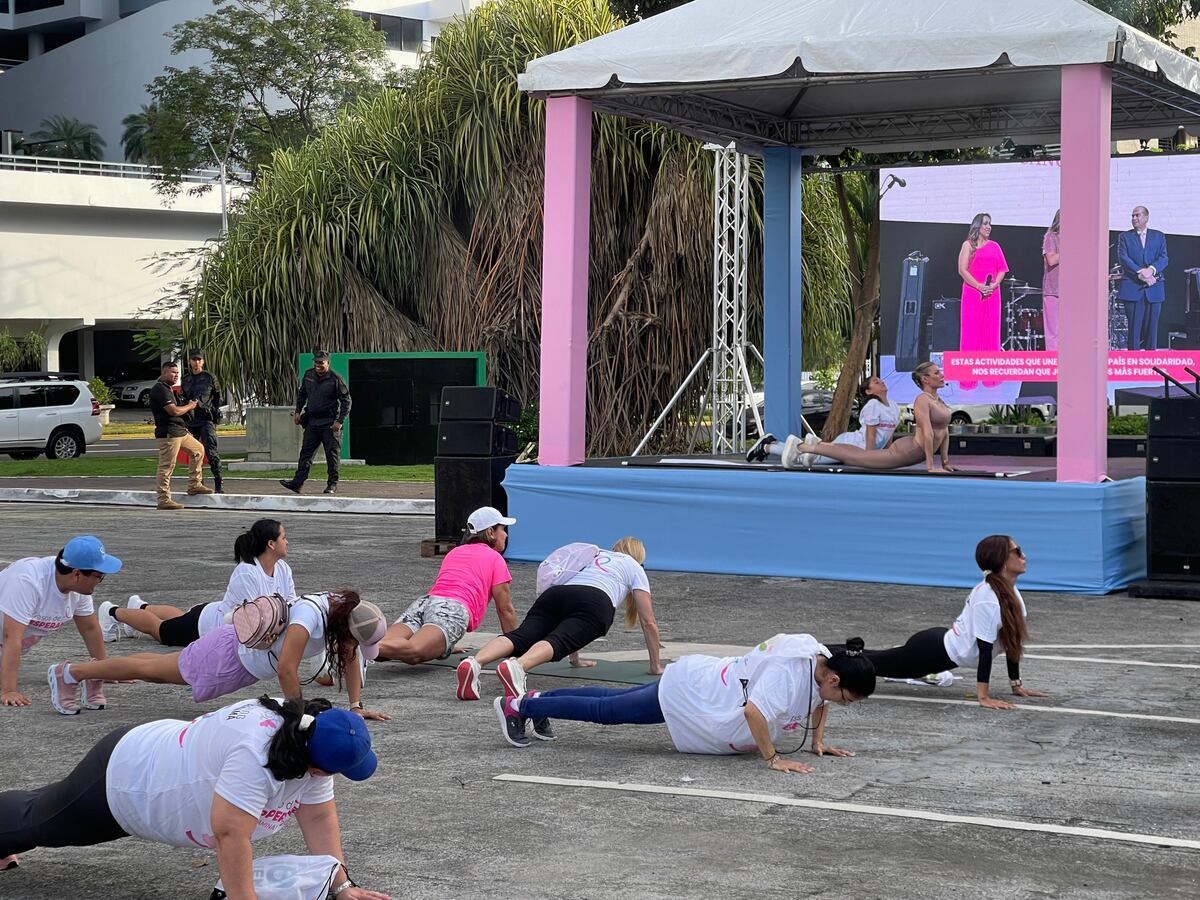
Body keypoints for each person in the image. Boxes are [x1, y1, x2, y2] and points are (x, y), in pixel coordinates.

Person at [0, 695, 390, 900]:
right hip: (127, 778)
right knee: (39, 822)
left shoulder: (312, 739)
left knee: (40, 813)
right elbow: (230, 836)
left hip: (157, 769)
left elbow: (319, 819)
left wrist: (340, 884)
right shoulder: (256, 753)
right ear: (315, 762)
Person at [493, 633, 875, 763]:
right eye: (847, 698)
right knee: (606, 710)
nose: (841, 704)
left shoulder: (818, 655)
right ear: (835, 677)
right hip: (691, 694)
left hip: (702, 681)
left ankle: (536, 700)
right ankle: (519, 706)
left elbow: (821, 699)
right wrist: (772, 759)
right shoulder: (786, 674)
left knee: (610, 700)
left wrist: (820, 741)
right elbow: (754, 713)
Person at [48, 592, 389, 720]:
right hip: (228, 654)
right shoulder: (310, 618)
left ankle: (83, 674)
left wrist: (356, 707)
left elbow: (349, 656)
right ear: (347, 626)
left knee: (154, 668)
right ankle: (70, 672)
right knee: (152, 669)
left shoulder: (340, 612)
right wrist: (297, 716)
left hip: (239, 659)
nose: (353, 650)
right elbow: (287, 669)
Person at [457, 537, 663, 704]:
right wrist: (655, 666)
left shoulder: (595, 555)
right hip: (596, 600)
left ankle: (474, 662)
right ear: (639, 557)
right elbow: (648, 622)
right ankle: (519, 666)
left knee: (521, 636)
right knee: (559, 640)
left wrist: (575, 660)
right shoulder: (634, 567)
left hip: (556, 594)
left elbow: (569, 616)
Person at [858, 534, 1046, 711]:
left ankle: (835, 654)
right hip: (930, 652)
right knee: (869, 664)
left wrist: (1016, 685)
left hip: (939, 646)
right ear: (1002, 559)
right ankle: (830, 655)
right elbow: (985, 649)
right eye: (1018, 551)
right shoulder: (987, 597)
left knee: (872, 660)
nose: (1024, 555)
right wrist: (983, 697)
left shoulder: (1011, 593)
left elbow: (1012, 641)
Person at [98, 519, 296, 647]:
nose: (287, 542)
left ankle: (140, 607)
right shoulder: (247, 572)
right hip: (209, 627)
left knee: (181, 618)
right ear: (271, 544)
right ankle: (112, 612)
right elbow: (250, 618)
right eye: (284, 538)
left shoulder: (283, 568)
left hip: (211, 614)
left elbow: (291, 603)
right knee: (161, 630)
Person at [376, 506, 517, 670]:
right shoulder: (495, 558)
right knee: (414, 652)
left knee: (381, 647)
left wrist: (442, 644)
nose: (506, 534)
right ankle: (356, 648)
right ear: (491, 532)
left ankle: (354, 646)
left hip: (426, 602)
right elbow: (505, 609)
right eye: (503, 529)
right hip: (452, 610)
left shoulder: (455, 552)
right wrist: (515, 645)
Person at [0, 536, 121, 711]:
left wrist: (105, 669)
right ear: (77, 574)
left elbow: (90, 628)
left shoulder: (79, 591)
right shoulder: (28, 581)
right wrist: (8, 690)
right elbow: (11, 636)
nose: (100, 580)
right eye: (99, 575)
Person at [781, 362, 955, 473]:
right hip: (903, 450)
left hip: (902, 450)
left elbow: (943, 432)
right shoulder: (922, 400)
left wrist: (946, 462)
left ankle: (808, 446)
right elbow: (928, 433)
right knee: (854, 457)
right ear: (925, 378)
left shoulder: (937, 401)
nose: (941, 375)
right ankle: (801, 446)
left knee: (852, 456)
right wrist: (931, 467)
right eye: (936, 373)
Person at [746, 375, 901, 468]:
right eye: (876, 382)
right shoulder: (873, 406)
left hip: (859, 451)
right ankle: (768, 446)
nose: (881, 382)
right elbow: (871, 436)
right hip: (851, 445)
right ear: (869, 391)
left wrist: (888, 455)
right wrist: (871, 459)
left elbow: (889, 437)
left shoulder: (894, 406)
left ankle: (775, 443)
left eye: (880, 380)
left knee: (810, 455)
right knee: (812, 458)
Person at [280, 349, 351, 496]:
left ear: (328, 363)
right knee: (305, 454)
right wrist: (298, 411)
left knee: (332, 456)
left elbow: (347, 401)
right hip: (312, 422)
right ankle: (297, 483)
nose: (318, 365)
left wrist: (340, 421)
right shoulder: (309, 375)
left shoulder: (335, 379)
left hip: (330, 424)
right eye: (316, 362)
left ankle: (332, 484)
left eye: (321, 363)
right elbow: (302, 394)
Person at [149, 359, 212, 510]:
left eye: (177, 373)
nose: (176, 375)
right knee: (167, 466)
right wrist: (190, 406)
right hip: (169, 433)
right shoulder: (160, 389)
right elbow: (174, 411)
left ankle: (194, 485)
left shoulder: (169, 389)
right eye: (173, 372)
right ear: (164, 373)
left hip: (179, 431)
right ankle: (163, 499)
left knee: (198, 450)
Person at [957, 212, 1009, 389]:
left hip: (992, 295)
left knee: (991, 333)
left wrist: (994, 285)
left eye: (990, 224)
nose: (989, 227)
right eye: (985, 223)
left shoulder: (995, 246)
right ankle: (968, 379)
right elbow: (962, 270)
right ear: (977, 226)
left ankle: (990, 377)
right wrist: (979, 286)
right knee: (971, 334)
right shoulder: (968, 245)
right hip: (973, 294)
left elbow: (1002, 269)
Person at [1117, 205, 1168, 351]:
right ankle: (1134, 365)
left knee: (1152, 330)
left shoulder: (1159, 236)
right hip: (1133, 289)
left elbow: (1164, 258)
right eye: (1132, 216)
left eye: (1137, 215)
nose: (1134, 218)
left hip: (1154, 289)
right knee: (1134, 330)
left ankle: (1150, 365)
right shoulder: (1124, 237)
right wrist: (1140, 272)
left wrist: (1151, 270)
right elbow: (1123, 258)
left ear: (1146, 218)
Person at [181, 347, 226, 493]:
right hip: (191, 420)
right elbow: (184, 398)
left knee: (211, 452)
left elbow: (219, 397)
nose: (196, 362)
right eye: (193, 359)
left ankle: (219, 484)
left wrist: (212, 410)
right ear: (189, 361)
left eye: (199, 359)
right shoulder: (186, 379)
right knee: (194, 454)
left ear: (203, 361)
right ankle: (198, 483)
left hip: (206, 419)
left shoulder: (210, 377)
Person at [1042, 209, 1061, 351]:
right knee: (1053, 332)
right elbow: (1052, 259)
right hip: (1053, 290)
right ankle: (1053, 363)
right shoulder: (1051, 236)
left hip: (1071, 290)